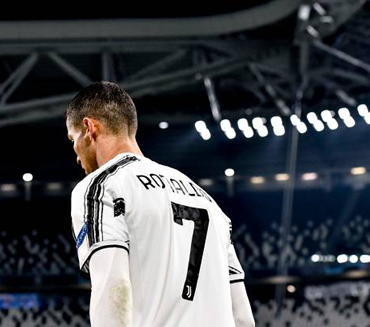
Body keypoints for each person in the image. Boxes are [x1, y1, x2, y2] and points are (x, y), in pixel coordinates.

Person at [66, 81, 255, 327]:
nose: (75, 152)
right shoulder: (208, 202)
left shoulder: (100, 187)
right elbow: (242, 318)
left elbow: (112, 286)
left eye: (72, 139)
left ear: (89, 127)